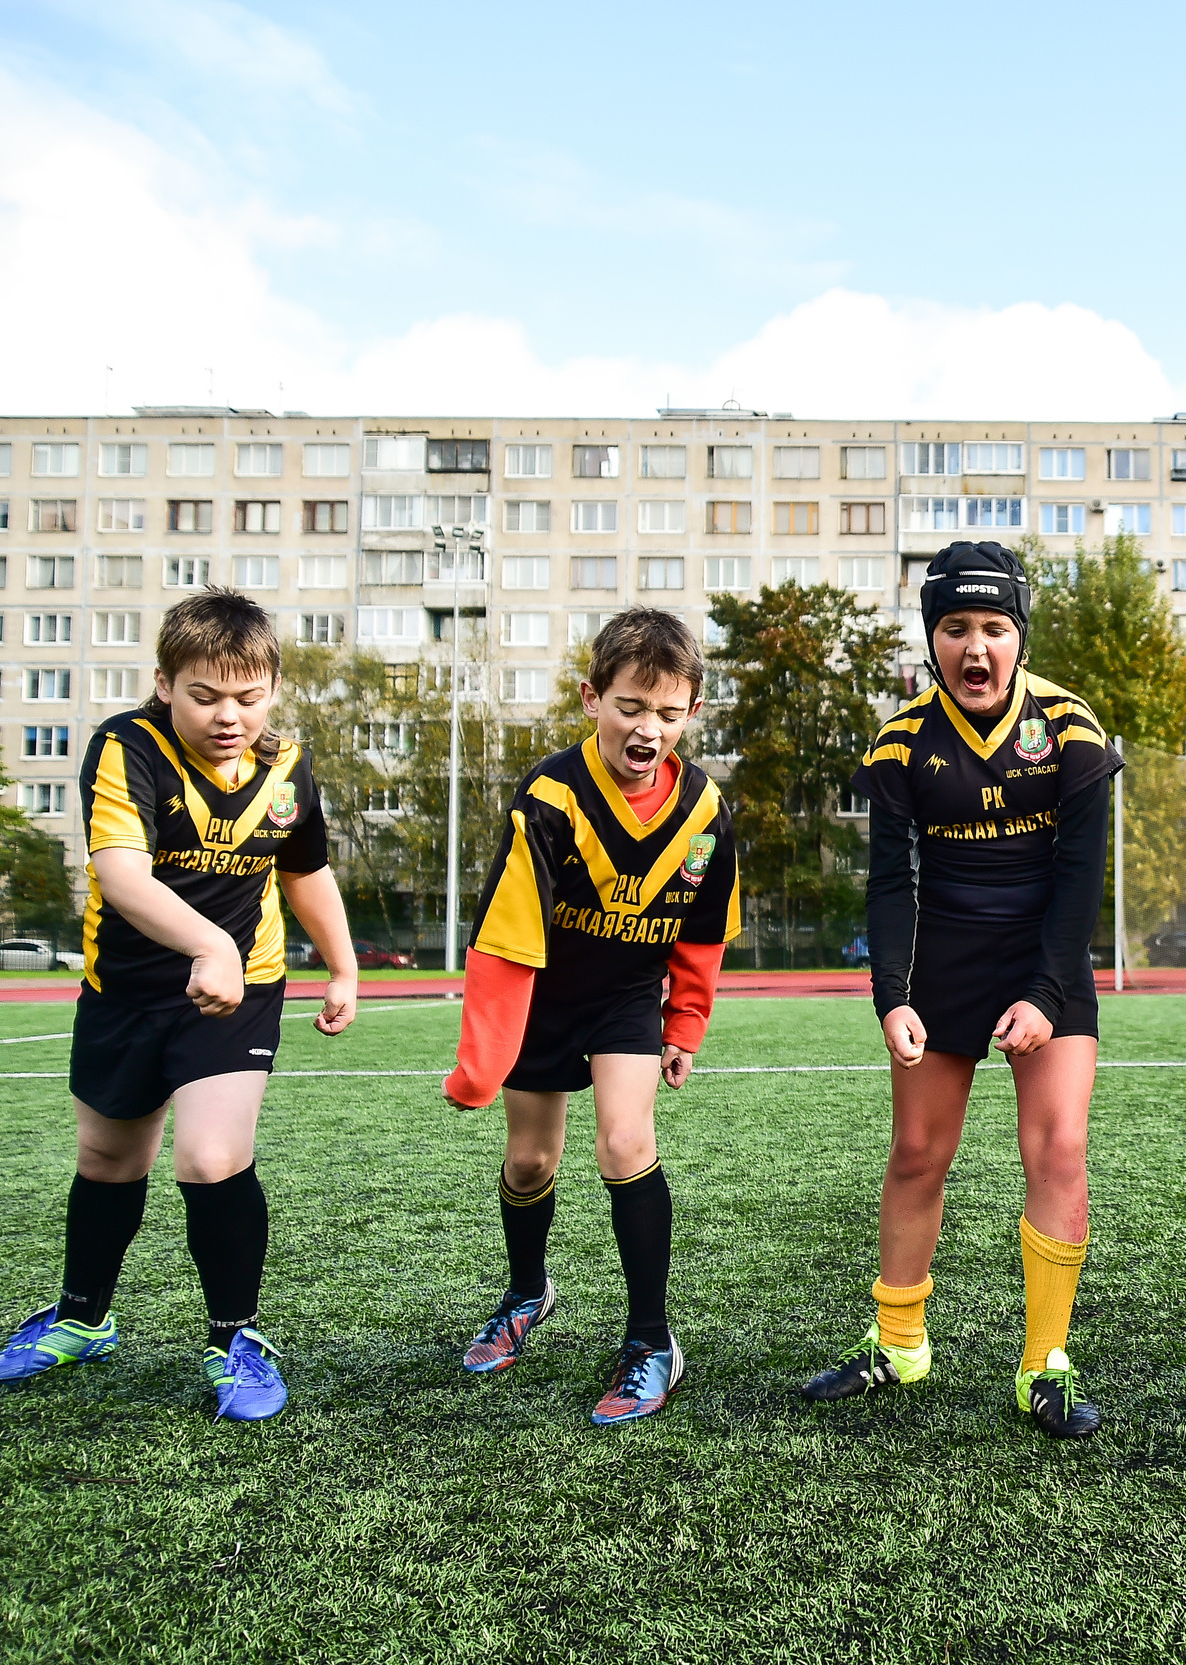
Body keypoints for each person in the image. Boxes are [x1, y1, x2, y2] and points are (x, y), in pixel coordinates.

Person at [0, 590, 358, 1420]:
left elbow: (306, 869)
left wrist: (343, 966)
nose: (228, 716)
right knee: (109, 1159)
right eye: (205, 695)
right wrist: (203, 943)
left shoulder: (287, 767)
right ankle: (82, 1320)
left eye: (248, 698)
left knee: (211, 1159)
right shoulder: (125, 746)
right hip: (127, 991)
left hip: (237, 990)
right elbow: (121, 876)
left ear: (273, 687)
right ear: (164, 685)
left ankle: (236, 1339)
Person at [798, 541, 1123, 1439]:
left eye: (992, 628)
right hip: (942, 961)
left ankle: (1044, 1365)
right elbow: (890, 882)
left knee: (1058, 1150)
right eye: (954, 629)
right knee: (916, 1155)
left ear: (1019, 635)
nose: (975, 649)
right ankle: (898, 1340)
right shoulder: (901, 741)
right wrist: (892, 997)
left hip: (1043, 959)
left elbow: (1078, 878)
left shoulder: (1073, 731)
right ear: (931, 637)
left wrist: (1049, 994)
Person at [442, 609, 739, 1426]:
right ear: (591, 698)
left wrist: (684, 1027)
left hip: (625, 1000)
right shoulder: (548, 796)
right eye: (631, 707)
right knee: (532, 1161)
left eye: (668, 713)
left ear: (693, 714)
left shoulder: (708, 813)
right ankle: (526, 1294)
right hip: (545, 996)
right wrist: (484, 1056)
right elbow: (504, 934)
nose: (649, 729)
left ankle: (652, 1341)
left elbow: (703, 935)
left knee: (625, 1142)